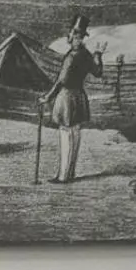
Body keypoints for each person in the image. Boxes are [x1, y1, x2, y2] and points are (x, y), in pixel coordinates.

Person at [39, 12, 104, 184]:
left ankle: (63, 176)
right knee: (75, 132)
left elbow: (62, 80)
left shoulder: (72, 56)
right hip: (79, 96)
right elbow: (98, 72)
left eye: (71, 34)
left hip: (67, 97)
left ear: (75, 35)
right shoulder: (86, 53)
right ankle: (70, 174)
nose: (69, 36)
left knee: (66, 133)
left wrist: (47, 97)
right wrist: (98, 54)